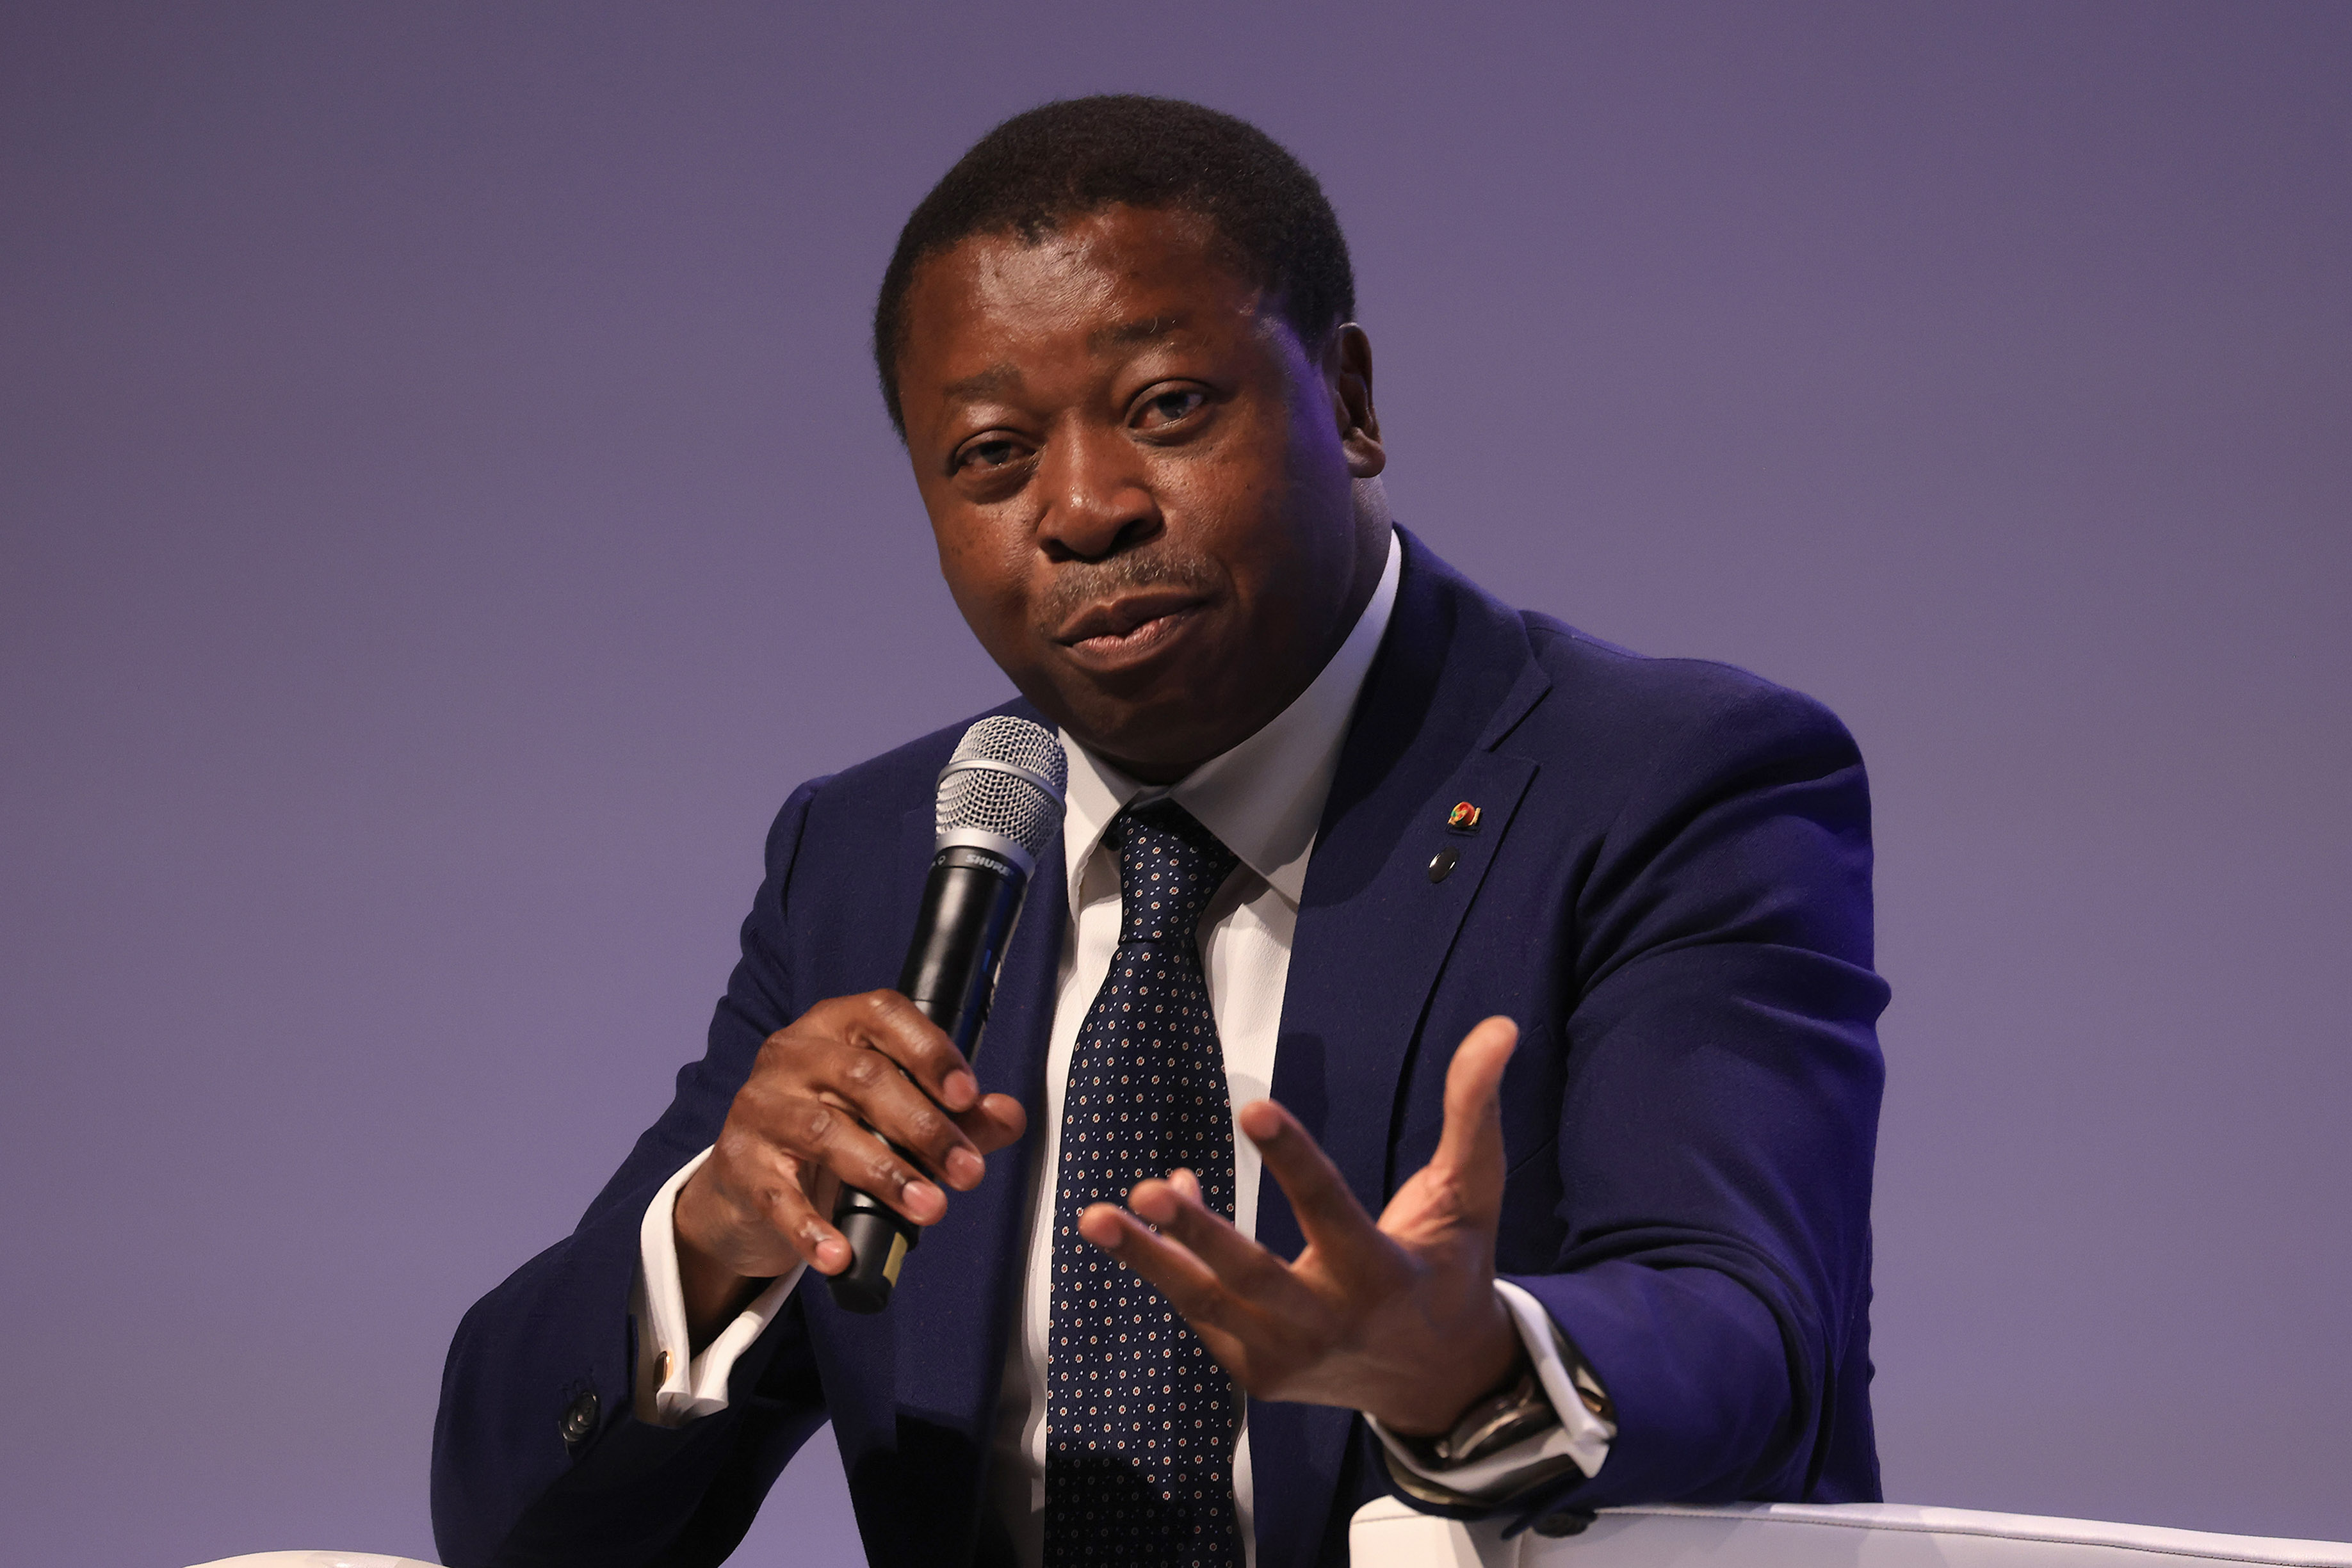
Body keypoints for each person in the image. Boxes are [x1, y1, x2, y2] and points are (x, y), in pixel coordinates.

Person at [430, 95, 1888, 1568]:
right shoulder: (871, 861)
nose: (1084, 509)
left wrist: (1470, 1363)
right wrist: (709, 1240)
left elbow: (1755, 1337)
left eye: (1169, 406)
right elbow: (506, 1520)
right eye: (991, 454)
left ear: (1349, 401)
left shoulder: (1661, 780)